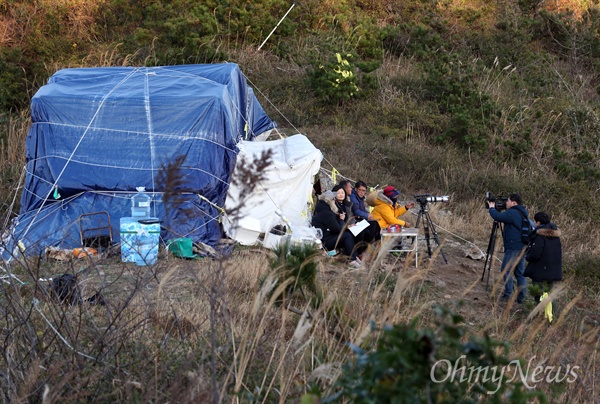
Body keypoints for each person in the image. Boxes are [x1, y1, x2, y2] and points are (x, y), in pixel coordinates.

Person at [488, 193, 529, 304]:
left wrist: (492, 208)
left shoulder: (513, 212)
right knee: (519, 273)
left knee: (505, 270)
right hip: (521, 246)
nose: (506, 203)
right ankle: (521, 297)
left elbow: (498, 217)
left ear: (514, 203)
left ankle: (507, 295)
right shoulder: (522, 212)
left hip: (513, 247)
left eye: (508, 201)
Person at [311, 190, 361, 268]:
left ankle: (354, 257)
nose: (335, 201)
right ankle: (352, 260)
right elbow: (337, 230)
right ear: (329, 201)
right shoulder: (327, 213)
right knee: (347, 235)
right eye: (333, 199)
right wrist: (341, 219)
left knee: (348, 234)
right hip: (325, 242)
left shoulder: (322, 210)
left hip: (324, 237)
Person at [524, 211, 562, 303]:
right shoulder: (555, 236)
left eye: (535, 222)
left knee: (539, 294)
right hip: (553, 269)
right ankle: (552, 315)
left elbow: (535, 254)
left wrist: (527, 256)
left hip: (540, 270)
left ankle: (539, 314)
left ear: (538, 222)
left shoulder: (539, 236)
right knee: (550, 295)